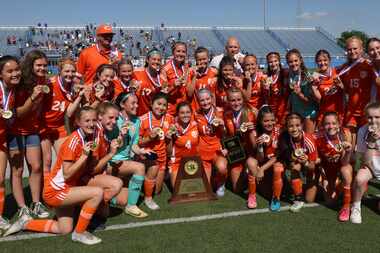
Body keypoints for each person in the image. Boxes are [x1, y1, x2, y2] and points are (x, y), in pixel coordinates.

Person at [4, 107, 121, 245]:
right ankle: (80, 233)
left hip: (68, 187)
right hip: (56, 191)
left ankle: (26, 223)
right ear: (77, 122)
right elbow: (66, 174)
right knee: (97, 193)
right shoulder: (74, 141)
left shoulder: (87, 137)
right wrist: (83, 157)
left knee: (64, 228)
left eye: (94, 120)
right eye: (87, 120)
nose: (91, 124)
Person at [8, 50, 50, 220]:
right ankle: (22, 206)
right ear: (30, 66)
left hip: (32, 129)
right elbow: (18, 112)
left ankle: (36, 202)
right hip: (15, 131)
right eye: (38, 65)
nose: (42, 68)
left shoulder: (45, 81)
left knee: (36, 167)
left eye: (45, 65)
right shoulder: (21, 83)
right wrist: (32, 97)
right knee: (17, 170)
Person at [106, 92, 153, 218]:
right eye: (133, 103)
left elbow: (134, 145)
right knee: (140, 167)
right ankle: (131, 207)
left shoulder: (137, 121)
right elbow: (112, 143)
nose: (136, 106)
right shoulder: (114, 119)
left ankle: (104, 198)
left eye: (137, 102)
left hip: (125, 162)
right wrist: (121, 134)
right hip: (111, 162)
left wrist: (142, 151)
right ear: (122, 104)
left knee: (124, 199)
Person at [40, 58, 84, 179]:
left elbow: (69, 112)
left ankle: (60, 186)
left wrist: (79, 95)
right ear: (59, 71)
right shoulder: (50, 84)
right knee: (47, 160)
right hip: (43, 127)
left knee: (65, 158)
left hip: (59, 127)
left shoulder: (73, 87)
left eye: (72, 71)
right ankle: (46, 191)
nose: (70, 74)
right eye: (67, 71)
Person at [338, 36, 376, 147]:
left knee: (366, 142)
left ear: (361, 49)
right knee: (350, 143)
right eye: (349, 49)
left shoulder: (369, 65)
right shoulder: (344, 69)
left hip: (367, 110)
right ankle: (351, 163)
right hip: (351, 110)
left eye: (355, 48)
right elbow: (329, 74)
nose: (352, 51)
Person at [223, 88, 257, 208]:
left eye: (238, 100)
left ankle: (251, 169)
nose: (236, 103)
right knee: (237, 189)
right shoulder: (226, 115)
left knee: (252, 135)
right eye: (232, 100)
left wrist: (253, 129)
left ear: (243, 100)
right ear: (228, 101)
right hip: (236, 153)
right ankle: (245, 174)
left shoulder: (250, 113)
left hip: (250, 151)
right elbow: (226, 136)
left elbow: (258, 138)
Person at [277, 113, 318, 212]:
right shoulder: (284, 137)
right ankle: (298, 198)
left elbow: (313, 165)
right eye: (291, 126)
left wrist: (305, 162)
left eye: (297, 125)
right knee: (294, 167)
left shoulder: (309, 140)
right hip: (295, 164)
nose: (294, 129)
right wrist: (295, 161)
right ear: (286, 127)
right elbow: (287, 157)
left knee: (309, 199)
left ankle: (320, 183)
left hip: (311, 165)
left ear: (302, 125)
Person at [316, 112, 353, 221]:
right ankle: (335, 184)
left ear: (339, 123)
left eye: (333, 123)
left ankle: (346, 207)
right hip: (329, 170)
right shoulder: (318, 137)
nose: (331, 126)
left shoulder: (346, 133)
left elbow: (346, 162)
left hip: (342, 167)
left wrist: (348, 151)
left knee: (345, 171)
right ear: (322, 125)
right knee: (330, 202)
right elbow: (316, 159)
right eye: (327, 124)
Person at [139, 93, 174, 208]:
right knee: (148, 185)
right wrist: (149, 138)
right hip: (146, 157)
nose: (161, 107)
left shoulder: (170, 118)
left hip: (162, 158)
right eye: (158, 104)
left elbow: (169, 147)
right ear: (151, 104)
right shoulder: (142, 120)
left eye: (164, 105)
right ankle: (139, 178)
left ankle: (148, 180)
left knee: (157, 190)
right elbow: (137, 143)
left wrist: (169, 138)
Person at [0, 55, 21, 230]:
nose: (15, 73)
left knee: (0, 179)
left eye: (16, 69)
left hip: (1, 138)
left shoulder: (12, 89)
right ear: (1, 74)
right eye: (10, 71)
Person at [350, 102, 380, 224]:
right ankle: (356, 207)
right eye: (370, 117)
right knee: (359, 179)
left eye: (377, 117)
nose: (373, 120)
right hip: (371, 166)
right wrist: (372, 142)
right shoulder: (363, 131)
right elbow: (365, 160)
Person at [195, 89, 228, 192]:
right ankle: (211, 177)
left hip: (217, 150)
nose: (205, 102)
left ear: (212, 98)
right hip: (203, 151)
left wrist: (223, 125)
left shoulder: (221, 112)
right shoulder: (195, 114)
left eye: (207, 99)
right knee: (206, 188)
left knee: (222, 168)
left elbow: (228, 134)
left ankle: (221, 183)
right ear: (198, 102)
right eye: (202, 100)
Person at [254, 106, 284, 212]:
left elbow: (278, 156)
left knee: (278, 169)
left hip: (279, 162)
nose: (269, 123)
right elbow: (260, 159)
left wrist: (262, 169)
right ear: (260, 121)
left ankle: (276, 198)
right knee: (265, 192)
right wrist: (260, 147)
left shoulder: (280, 131)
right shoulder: (257, 133)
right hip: (265, 164)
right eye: (266, 121)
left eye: (272, 120)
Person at [285, 49, 319, 133]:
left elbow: (312, 101)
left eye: (296, 61)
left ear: (300, 60)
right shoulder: (289, 75)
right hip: (296, 113)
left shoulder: (307, 76)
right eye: (290, 62)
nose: (293, 64)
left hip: (308, 114)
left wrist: (300, 94)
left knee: (308, 139)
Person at [167, 102, 199, 186]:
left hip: (193, 161)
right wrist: (169, 138)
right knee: (177, 189)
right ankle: (170, 173)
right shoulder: (173, 127)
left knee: (194, 188)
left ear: (191, 113)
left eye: (188, 112)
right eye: (182, 113)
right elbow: (169, 152)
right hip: (177, 162)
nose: (185, 115)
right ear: (177, 114)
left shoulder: (196, 125)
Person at [313, 50, 344, 125]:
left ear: (329, 60)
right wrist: (313, 86)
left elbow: (346, 92)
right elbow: (319, 99)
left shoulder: (337, 72)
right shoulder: (315, 76)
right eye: (319, 61)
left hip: (338, 113)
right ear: (316, 62)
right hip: (324, 114)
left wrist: (341, 86)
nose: (322, 63)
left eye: (325, 60)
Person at [133, 49, 166, 116]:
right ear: (147, 60)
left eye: (159, 60)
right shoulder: (136, 73)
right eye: (154, 59)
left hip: (153, 117)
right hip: (137, 115)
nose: (156, 62)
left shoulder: (162, 79)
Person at [161, 42, 189, 115]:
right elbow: (162, 92)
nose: (181, 54)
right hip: (171, 109)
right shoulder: (165, 69)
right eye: (178, 51)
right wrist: (173, 85)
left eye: (183, 52)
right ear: (173, 52)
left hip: (183, 108)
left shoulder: (186, 67)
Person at [186, 47, 218, 112]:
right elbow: (189, 94)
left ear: (208, 58)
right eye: (199, 60)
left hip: (211, 110)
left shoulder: (214, 72)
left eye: (204, 59)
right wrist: (194, 76)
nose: (202, 62)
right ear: (196, 60)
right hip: (196, 110)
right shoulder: (190, 72)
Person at [265, 52, 288, 126]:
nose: (273, 64)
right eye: (270, 62)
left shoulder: (285, 73)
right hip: (272, 110)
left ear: (279, 61)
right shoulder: (267, 77)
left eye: (275, 61)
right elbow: (267, 96)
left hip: (284, 109)